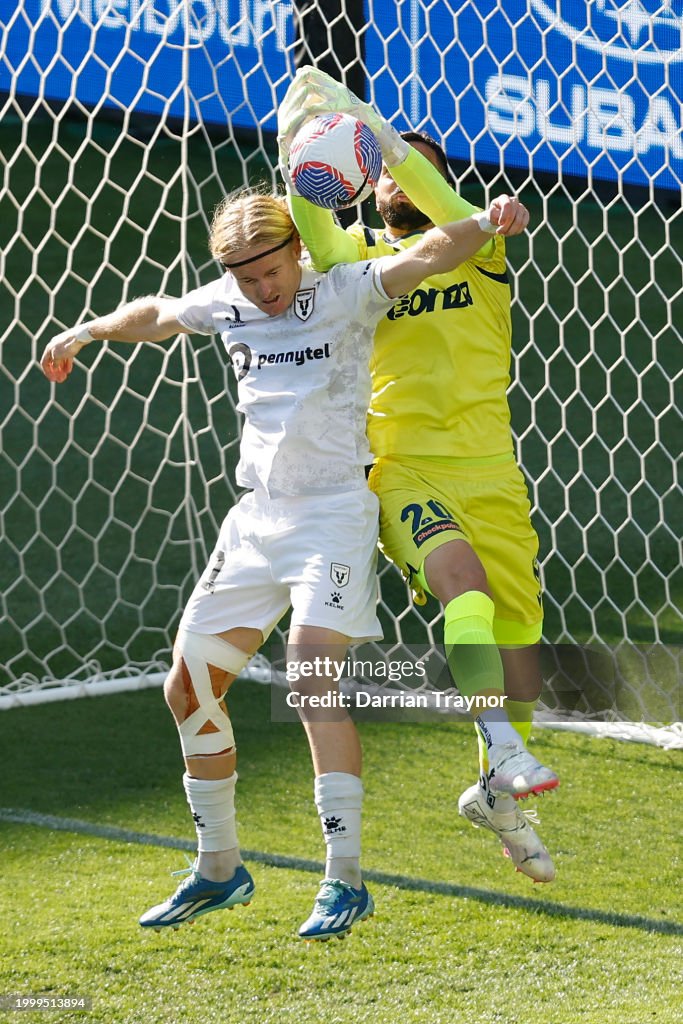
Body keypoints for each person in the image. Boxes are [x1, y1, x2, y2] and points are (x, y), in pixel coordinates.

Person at [40, 184, 530, 941]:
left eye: (271, 272)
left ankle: (344, 880)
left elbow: (431, 254)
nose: (262, 290)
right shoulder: (230, 303)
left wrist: (485, 222)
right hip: (255, 523)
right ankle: (217, 868)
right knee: (188, 687)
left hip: (334, 516)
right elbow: (162, 314)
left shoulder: (345, 289)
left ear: (297, 249)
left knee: (309, 680)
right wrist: (89, 331)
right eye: (246, 278)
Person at [277, 68, 559, 884]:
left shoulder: (476, 248)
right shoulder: (358, 261)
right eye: (386, 172)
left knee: (515, 649)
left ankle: (496, 792)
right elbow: (319, 235)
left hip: (492, 474)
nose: (399, 181)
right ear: (367, 193)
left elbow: (453, 214)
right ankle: (502, 751)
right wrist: (303, 162)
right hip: (399, 468)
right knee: (461, 593)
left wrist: (385, 139)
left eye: (412, 170)